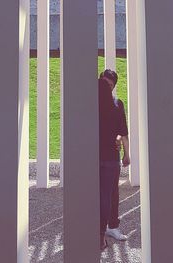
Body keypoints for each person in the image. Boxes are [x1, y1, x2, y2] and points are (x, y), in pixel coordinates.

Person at [98, 69, 130, 250]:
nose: (104, 87)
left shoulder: (117, 104)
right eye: (102, 82)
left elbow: (122, 131)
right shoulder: (93, 103)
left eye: (108, 85)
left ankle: (111, 228)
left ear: (113, 86)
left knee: (110, 194)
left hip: (110, 157)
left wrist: (126, 152)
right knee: (102, 196)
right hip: (96, 157)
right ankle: (100, 232)